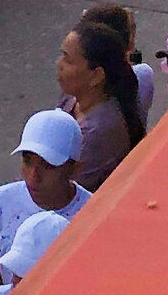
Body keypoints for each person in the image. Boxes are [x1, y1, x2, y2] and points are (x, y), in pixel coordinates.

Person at [0, 110, 86, 295]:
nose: (33, 176)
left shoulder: (95, 216)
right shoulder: (0, 202)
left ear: (75, 169)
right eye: (28, 161)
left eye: (48, 165)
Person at [57, 17, 146, 189]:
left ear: (96, 76)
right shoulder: (73, 98)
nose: (59, 65)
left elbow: (62, 190)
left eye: (68, 60)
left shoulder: (96, 134)